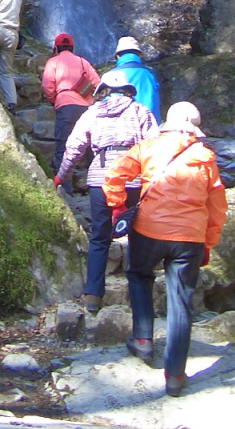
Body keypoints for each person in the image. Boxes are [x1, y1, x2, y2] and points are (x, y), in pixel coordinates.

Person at [103, 101, 228, 398]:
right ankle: (174, 374)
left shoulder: (148, 147)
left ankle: (143, 339)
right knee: (181, 301)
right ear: (193, 129)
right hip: (190, 236)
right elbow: (216, 207)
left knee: (139, 275)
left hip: (149, 229)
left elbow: (115, 174)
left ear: (167, 124)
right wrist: (208, 242)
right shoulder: (206, 158)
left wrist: (118, 205)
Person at [53, 69, 158, 314]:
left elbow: (74, 147)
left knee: (100, 237)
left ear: (104, 90)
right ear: (128, 91)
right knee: (137, 237)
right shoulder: (141, 111)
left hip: (100, 178)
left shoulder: (93, 113)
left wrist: (61, 176)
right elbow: (153, 146)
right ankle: (137, 294)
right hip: (133, 178)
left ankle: (93, 295)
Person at [41, 33, 101, 194]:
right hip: (86, 108)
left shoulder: (53, 62)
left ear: (56, 48)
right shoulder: (83, 62)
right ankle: (96, 185)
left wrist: (56, 100)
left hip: (64, 106)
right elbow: (98, 84)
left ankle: (64, 188)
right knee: (90, 147)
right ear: (72, 47)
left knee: (62, 147)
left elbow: (48, 86)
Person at [113, 36, 161, 122]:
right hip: (150, 125)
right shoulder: (151, 73)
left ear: (117, 56)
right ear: (139, 55)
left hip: (122, 128)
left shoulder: (110, 75)